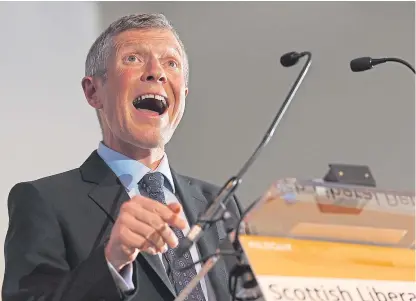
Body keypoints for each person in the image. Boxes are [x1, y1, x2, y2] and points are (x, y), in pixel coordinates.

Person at [2, 13, 242, 301]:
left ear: (184, 95)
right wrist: (112, 262)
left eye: (171, 63)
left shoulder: (219, 203)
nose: (157, 73)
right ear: (93, 92)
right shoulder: (44, 201)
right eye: (133, 59)